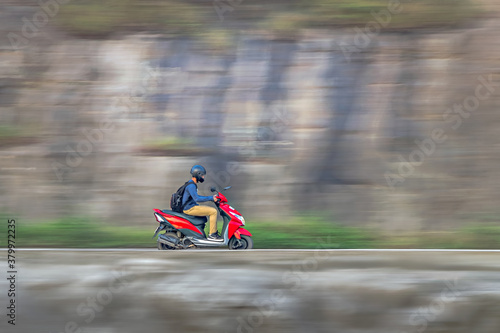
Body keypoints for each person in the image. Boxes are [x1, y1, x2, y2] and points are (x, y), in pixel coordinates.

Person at [182, 165, 222, 241]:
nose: (203, 177)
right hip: (189, 209)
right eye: (202, 175)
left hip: (191, 207)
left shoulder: (191, 184)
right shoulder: (191, 186)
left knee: (206, 215)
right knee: (213, 211)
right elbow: (197, 198)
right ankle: (212, 235)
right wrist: (211, 198)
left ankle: (201, 234)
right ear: (198, 174)